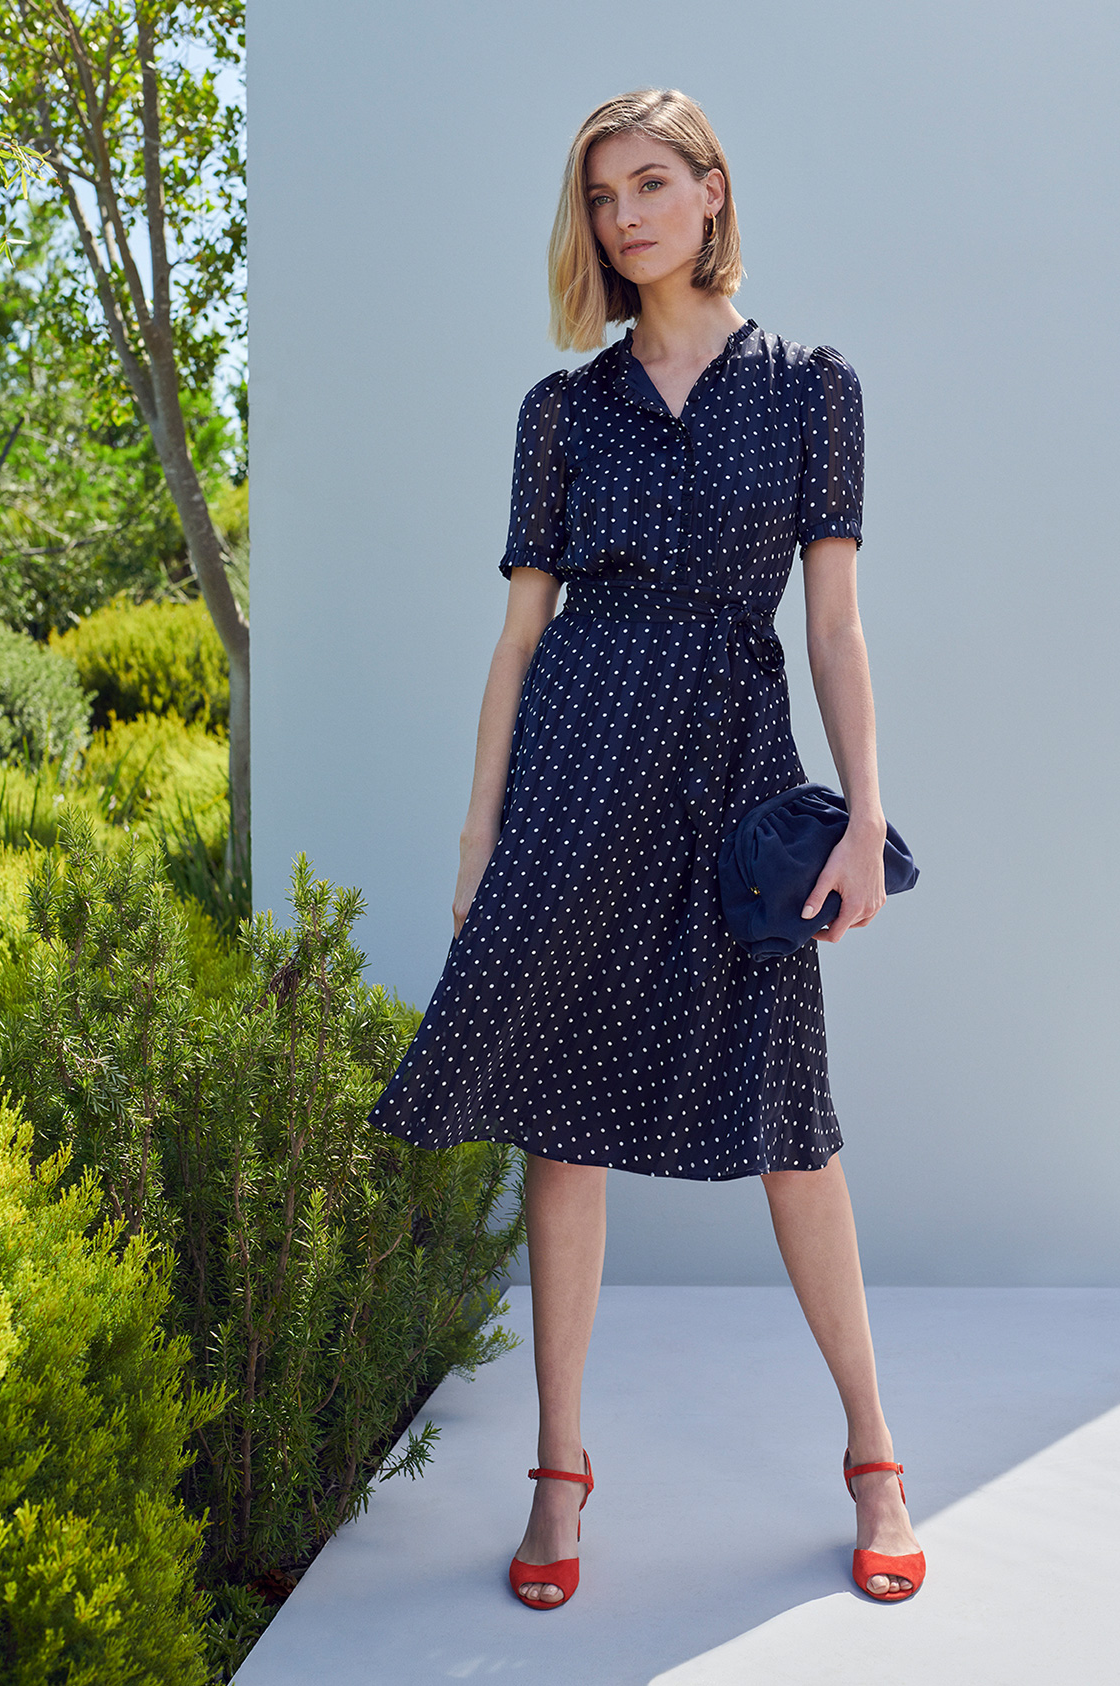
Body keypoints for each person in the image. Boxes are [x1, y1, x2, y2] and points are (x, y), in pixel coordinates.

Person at [368, 86, 925, 1610]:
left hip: (736, 764)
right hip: (578, 759)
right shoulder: (564, 413)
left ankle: (874, 1452)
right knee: (564, 1114)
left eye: (650, 183)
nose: (624, 216)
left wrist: (865, 813)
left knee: (790, 1120)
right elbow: (515, 640)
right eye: (603, 195)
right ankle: (559, 1469)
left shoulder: (813, 386)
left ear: (713, 192)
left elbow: (833, 622)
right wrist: (481, 836)